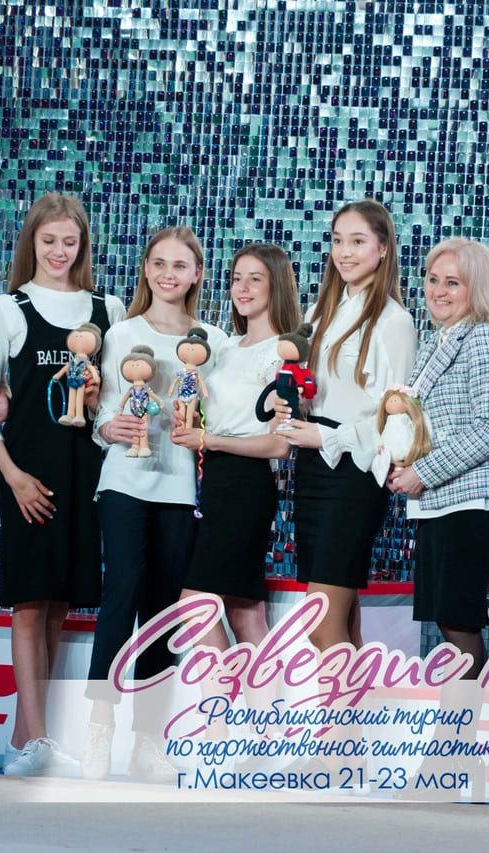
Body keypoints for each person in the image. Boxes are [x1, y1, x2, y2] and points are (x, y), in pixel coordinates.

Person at [0, 192, 125, 777]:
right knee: (29, 604)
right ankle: (34, 737)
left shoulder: (107, 309)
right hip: (28, 477)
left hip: (85, 475)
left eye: (70, 241)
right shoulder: (6, 308)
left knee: (60, 605)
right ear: (31, 243)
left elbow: (111, 403)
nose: (60, 251)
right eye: (49, 241)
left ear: (83, 245)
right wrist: (12, 476)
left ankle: (27, 737)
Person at [82, 225, 228, 780]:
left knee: (164, 613)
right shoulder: (122, 333)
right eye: (159, 263)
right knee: (120, 596)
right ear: (146, 268)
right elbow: (102, 410)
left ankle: (148, 740)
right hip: (124, 482)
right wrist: (107, 428)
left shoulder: (211, 342)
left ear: (197, 274)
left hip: (181, 490)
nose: (169, 274)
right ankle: (99, 729)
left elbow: (217, 415)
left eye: (180, 265)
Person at [385, 237, 489, 802]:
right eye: (433, 279)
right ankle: (465, 765)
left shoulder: (485, 339)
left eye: (453, 282)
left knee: (459, 626)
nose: (438, 291)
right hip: (440, 501)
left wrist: (424, 471)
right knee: (449, 625)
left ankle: (448, 764)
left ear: (477, 289)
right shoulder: (439, 341)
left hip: (470, 500)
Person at [272, 199, 418, 652]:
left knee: (321, 624)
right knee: (344, 620)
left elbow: (398, 420)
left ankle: (337, 704)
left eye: (357, 241)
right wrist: (288, 401)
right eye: (337, 241)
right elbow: (314, 389)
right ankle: (351, 703)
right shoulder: (320, 313)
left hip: (354, 474)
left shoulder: (395, 322)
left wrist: (326, 436)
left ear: (383, 248)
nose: (344, 252)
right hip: (312, 468)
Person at [170, 243, 298, 654]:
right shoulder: (225, 346)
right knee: (245, 613)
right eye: (236, 278)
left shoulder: (284, 353)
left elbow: (280, 444)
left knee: (195, 606)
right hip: (213, 482)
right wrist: (189, 423)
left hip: (245, 486)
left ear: (276, 286)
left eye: (254, 279)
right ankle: (258, 698)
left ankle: (224, 699)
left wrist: (209, 440)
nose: (242, 288)